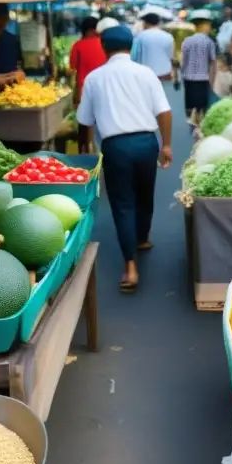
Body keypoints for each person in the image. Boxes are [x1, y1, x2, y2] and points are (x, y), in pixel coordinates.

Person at [77, 25, 173, 293]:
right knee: (145, 195)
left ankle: (130, 266)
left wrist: (86, 147)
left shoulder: (95, 78)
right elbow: (164, 112)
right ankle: (142, 238)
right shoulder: (146, 74)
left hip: (115, 146)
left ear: (104, 48)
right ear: (130, 46)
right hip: (146, 143)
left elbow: (85, 121)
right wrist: (166, 145)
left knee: (122, 204)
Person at [180, 10, 217, 126]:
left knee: (190, 107)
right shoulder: (209, 42)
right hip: (203, 79)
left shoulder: (186, 41)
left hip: (188, 79)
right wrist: (212, 81)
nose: (209, 27)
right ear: (203, 25)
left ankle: (190, 128)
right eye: (208, 24)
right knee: (202, 109)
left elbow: (183, 61)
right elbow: (213, 63)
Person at [68, 17, 107, 102]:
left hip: (84, 90)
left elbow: (72, 68)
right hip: (104, 87)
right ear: (94, 29)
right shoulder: (105, 44)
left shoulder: (77, 46)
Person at [130, 12, 175, 82]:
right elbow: (171, 55)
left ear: (145, 23)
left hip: (145, 74)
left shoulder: (139, 37)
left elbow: (133, 56)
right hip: (164, 73)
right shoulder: (168, 36)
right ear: (158, 23)